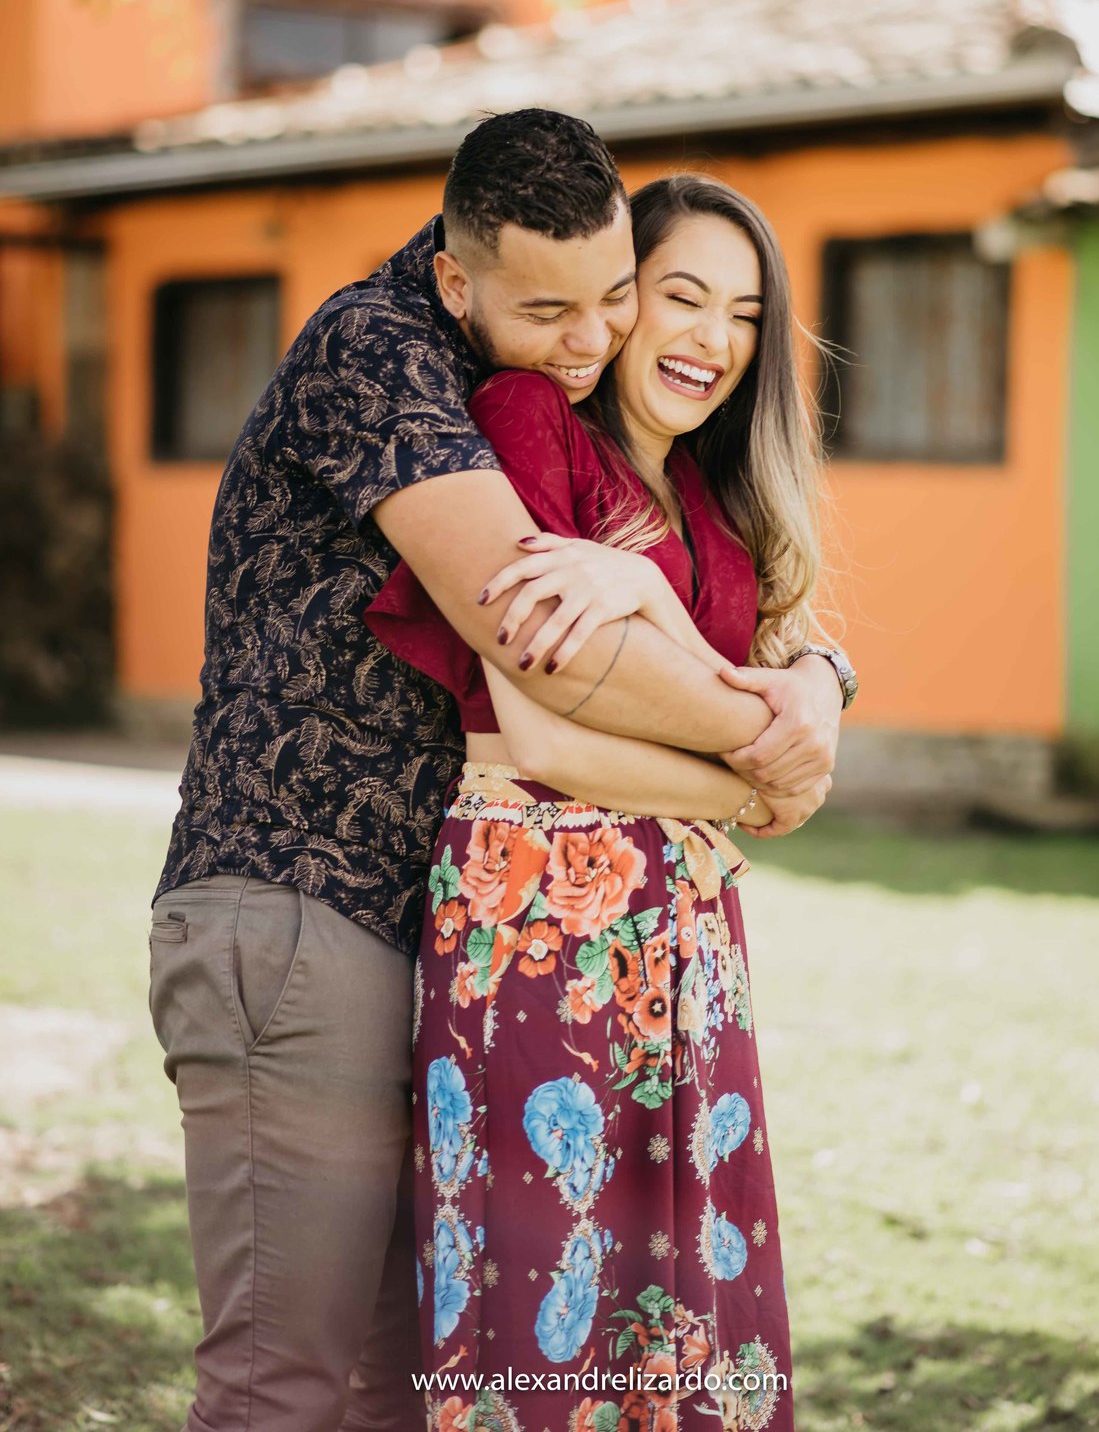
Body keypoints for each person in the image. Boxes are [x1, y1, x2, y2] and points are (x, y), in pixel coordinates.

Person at [147, 110, 855, 1432]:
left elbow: (733, 616)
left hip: (411, 918)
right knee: (282, 1385)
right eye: (556, 309)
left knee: (387, 1387)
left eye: (615, 298)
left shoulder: (563, 391)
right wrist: (766, 752)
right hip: (300, 901)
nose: (594, 340)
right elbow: (537, 643)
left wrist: (820, 677)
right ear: (461, 279)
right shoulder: (386, 357)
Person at [366, 174, 840, 1430]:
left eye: (744, 315)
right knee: (549, 1295)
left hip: (690, 944)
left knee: (690, 1292)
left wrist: (791, 668)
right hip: (543, 924)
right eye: (680, 295)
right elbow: (533, 727)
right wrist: (741, 786)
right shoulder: (528, 421)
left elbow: (766, 700)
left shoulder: (718, 509)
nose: (712, 340)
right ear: (617, 304)